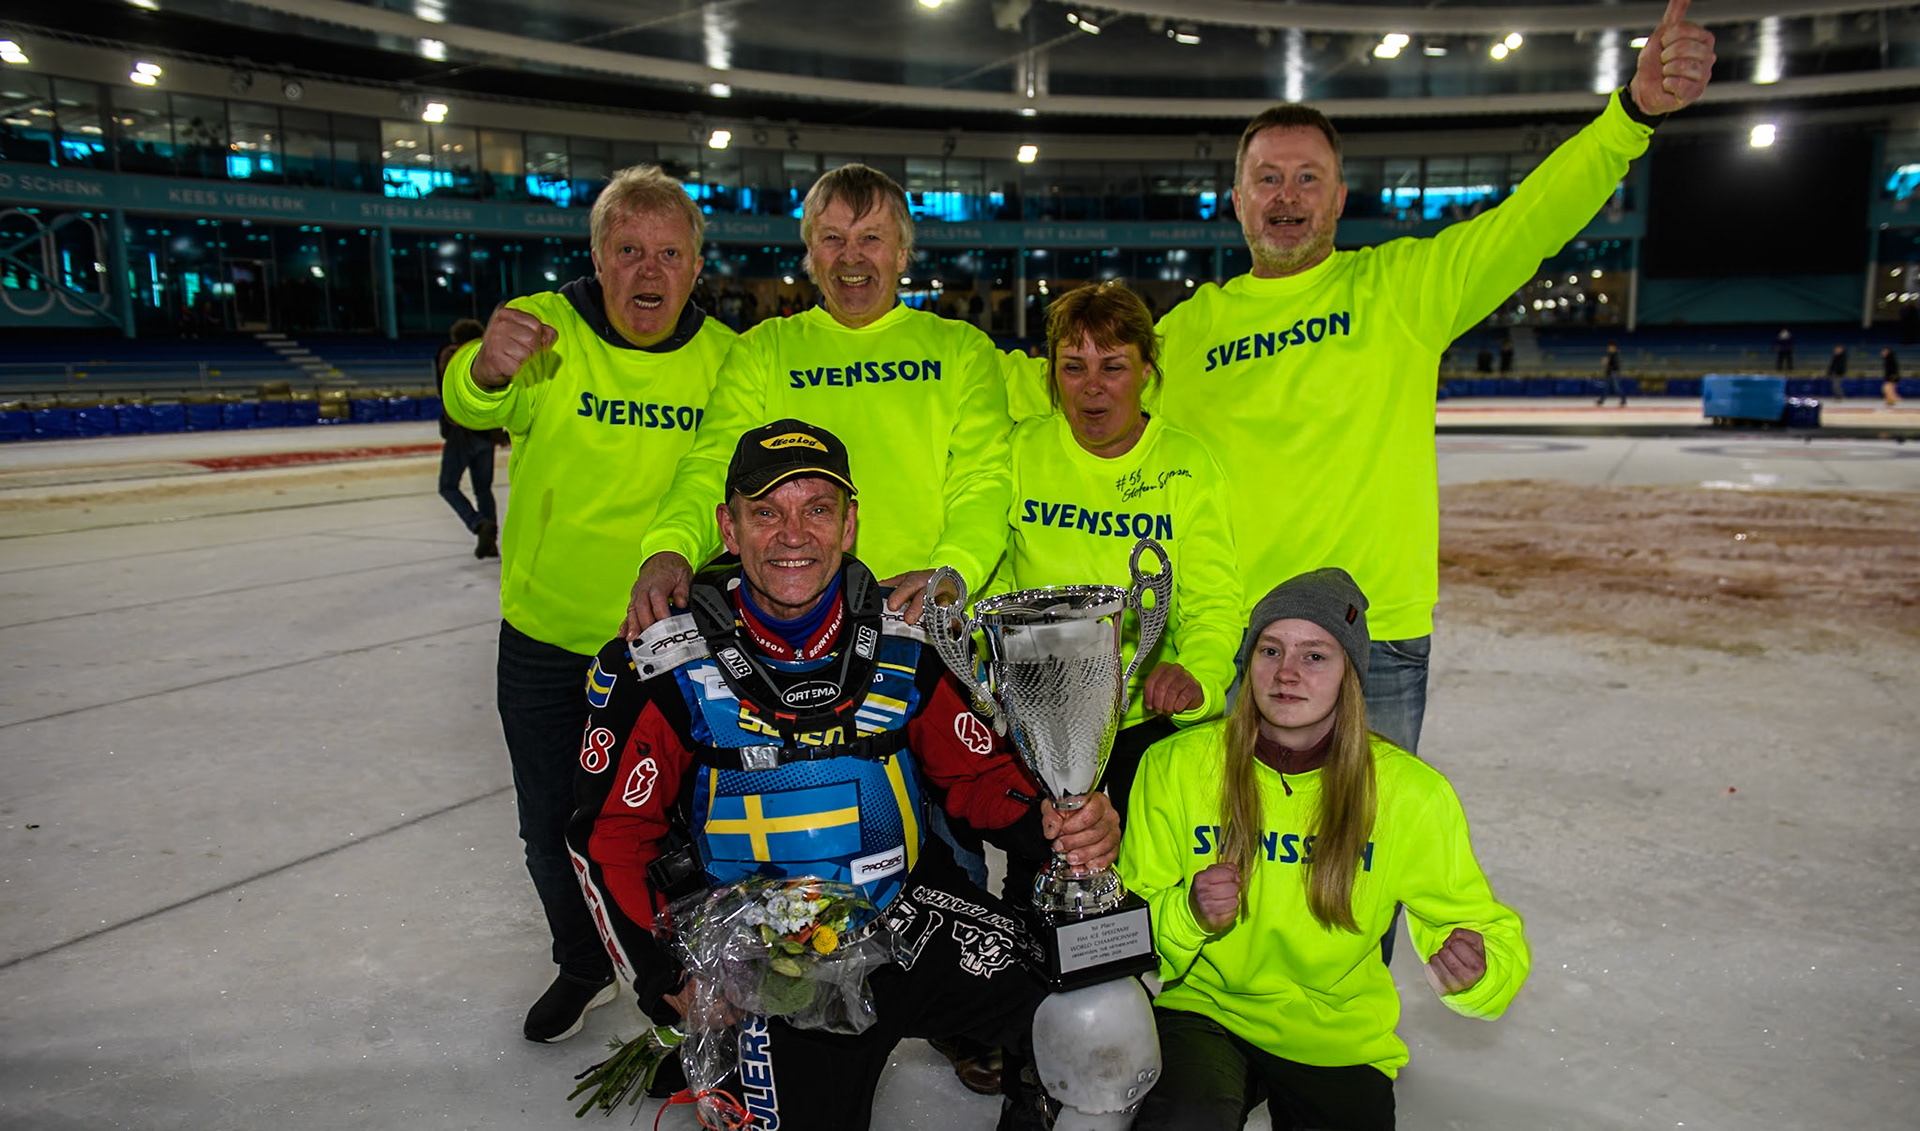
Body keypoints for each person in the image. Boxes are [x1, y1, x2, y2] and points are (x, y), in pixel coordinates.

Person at [571, 423, 1157, 1131]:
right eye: (765, 513)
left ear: (851, 524)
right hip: (773, 964)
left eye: (818, 508)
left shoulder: (908, 641)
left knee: (1091, 1009)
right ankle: (733, 1074)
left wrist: (1058, 819)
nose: (794, 535)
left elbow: (980, 780)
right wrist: (677, 983)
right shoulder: (663, 665)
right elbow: (606, 839)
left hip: (902, 915)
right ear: (727, 530)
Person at [1136, 0, 1714, 755]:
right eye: (1267, 178)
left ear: (1339, 199)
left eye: (1308, 178)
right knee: (1219, 869)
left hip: (1369, 635)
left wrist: (1631, 115)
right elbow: (1066, 395)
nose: (1287, 196)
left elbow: (1531, 222)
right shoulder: (1183, 335)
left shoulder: (1401, 290)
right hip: (1225, 640)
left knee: (1366, 863)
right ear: (1236, 200)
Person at [1118, 569, 1530, 1131]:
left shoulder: (1408, 793)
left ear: (1351, 674)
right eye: (1271, 650)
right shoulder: (1176, 765)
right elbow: (1125, 925)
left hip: (1336, 1031)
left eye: (1316, 655)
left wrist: (1481, 964)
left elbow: (1479, 922)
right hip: (1207, 1007)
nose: (1287, 673)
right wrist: (1187, 910)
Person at [440, 165, 737, 1044]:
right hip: (546, 638)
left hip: (671, 643)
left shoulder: (728, 360)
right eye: (629, 251)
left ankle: (686, 972)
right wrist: (482, 370)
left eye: (669, 254)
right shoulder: (549, 332)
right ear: (598, 258)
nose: (649, 271)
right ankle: (582, 959)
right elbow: (470, 398)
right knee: (549, 825)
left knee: (681, 820)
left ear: (695, 265)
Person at [624, 163, 1013, 639]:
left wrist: (954, 571)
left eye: (871, 238)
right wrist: (670, 548)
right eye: (832, 239)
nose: (851, 258)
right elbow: (713, 467)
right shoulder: (762, 351)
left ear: (903, 253)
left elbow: (983, 479)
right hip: (792, 627)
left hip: (925, 615)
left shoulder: (962, 350)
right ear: (810, 252)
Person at [989, 280, 1240, 830]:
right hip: (1035, 731)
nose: (1092, 388)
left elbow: (1214, 601)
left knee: (1139, 895)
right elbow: (997, 576)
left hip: (1142, 728)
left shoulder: (1186, 464)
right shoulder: (1022, 450)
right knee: (1038, 892)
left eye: (1114, 367)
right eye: (1074, 367)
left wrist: (1196, 672)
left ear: (1148, 370)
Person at [434, 317, 500, 559]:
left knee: (448, 486)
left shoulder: (452, 355)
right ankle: (489, 541)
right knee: (483, 488)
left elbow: (446, 388)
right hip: (488, 432)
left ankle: (478, 523)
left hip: (462, 432)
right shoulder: (492, 356)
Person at [1598, 341, 1626, 406]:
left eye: (1610, 347)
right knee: (1607, 388)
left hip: (1614, 373)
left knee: (1618, 387)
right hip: (1610, 373)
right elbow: (1609, 364)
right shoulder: (1611, 354)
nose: (1609, 348)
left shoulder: (1615, 354)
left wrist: (1607, 362)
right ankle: (1602, 400)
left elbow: (1616, 364)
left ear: (1613, 347)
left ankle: (1623, 400)